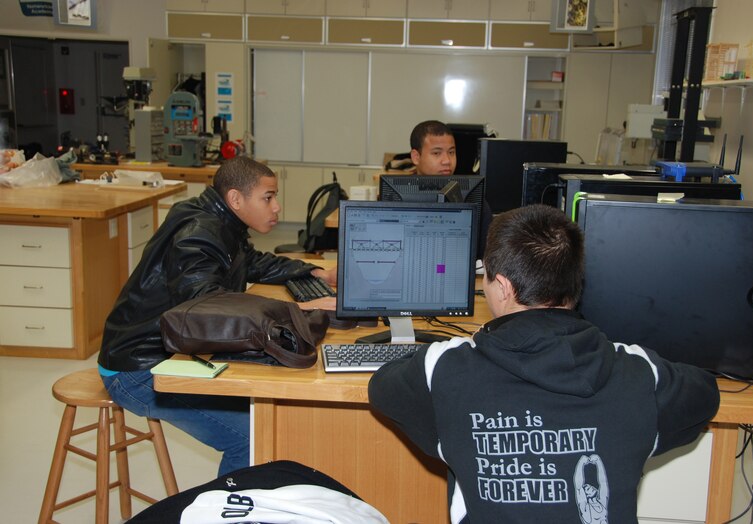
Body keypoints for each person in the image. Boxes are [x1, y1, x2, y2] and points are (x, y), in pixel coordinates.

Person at [368, 204, 720, 523]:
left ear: (502, 287)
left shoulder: (444, 368)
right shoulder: (639, 373)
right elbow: (704, 394)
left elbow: (382, 388)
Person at [98, 156, 336, 477]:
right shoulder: (199, 233)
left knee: (275, 416)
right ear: (235, 199)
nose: (277, 206)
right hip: (138, 369)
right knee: (254, 435)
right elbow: (205, 311)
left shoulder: (222, 222)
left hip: (169, 353)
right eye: (268, 198)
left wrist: (316, 272)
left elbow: (252, 262)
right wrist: (299, 309)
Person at [409, 119, 492, 259]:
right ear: (416, 157)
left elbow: (487, 256)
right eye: (436, 153)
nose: (447, 160)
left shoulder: (473, 198)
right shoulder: (399, 197)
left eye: (451, 152)